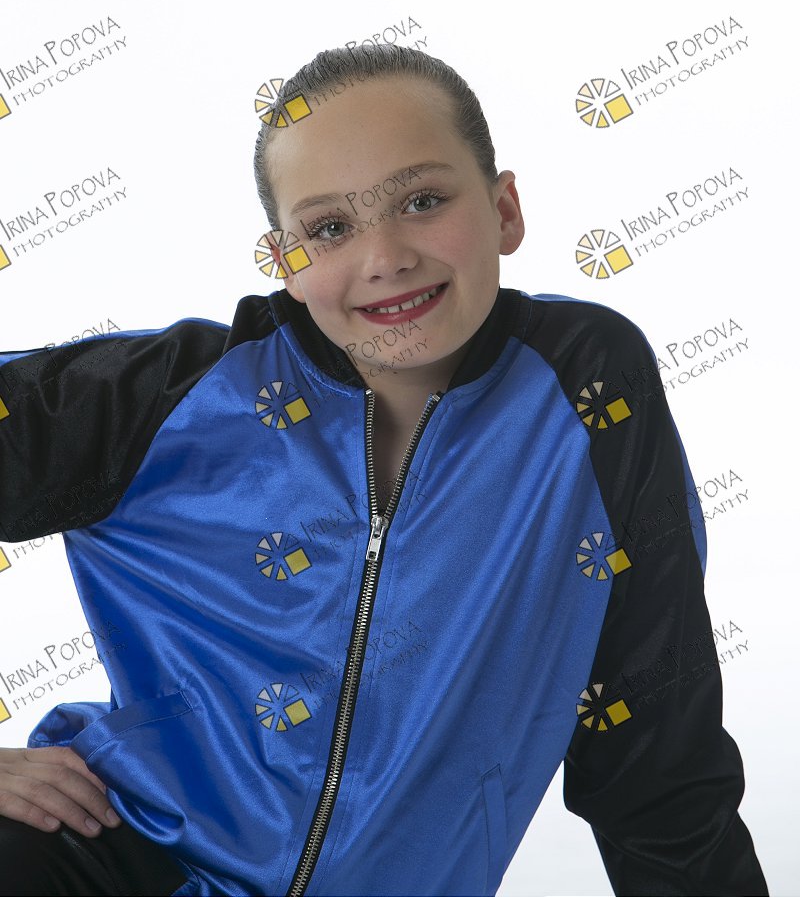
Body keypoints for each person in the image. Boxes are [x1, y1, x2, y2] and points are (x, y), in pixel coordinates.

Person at [0, 44, 768, 897]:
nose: (385, 255)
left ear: (505, 210)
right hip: (103, 856)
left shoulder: (585, 388)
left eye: (422, 201)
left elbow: (656, 755)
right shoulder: (172, 399)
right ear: (287, 261)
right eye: (330, 227)